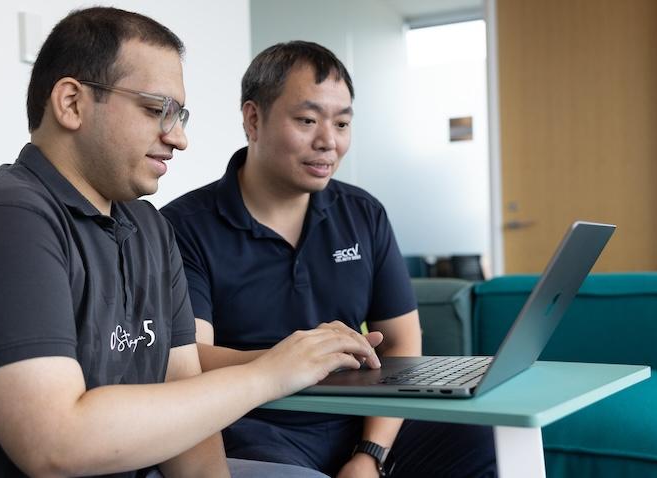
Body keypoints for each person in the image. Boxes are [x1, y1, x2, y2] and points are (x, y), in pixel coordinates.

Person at [0, 10, 382, 478]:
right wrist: (270, 373)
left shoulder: (151, 229)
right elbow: (54, 444)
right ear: (72, 102)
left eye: (180, 116)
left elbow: (187, 404)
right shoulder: (3, 219)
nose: (178, 138)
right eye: (157, 109)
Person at [161, 41, 497, 477]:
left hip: (357, 421)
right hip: (254, 426)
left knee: (487, 440)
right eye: (307, 120)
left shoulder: (363, 214)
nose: (328, 142)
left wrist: (369, 454)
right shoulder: (184, 226)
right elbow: (194, 357)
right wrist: (296, 361)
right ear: (253, 118)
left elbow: (401, 343)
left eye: (341, 123)